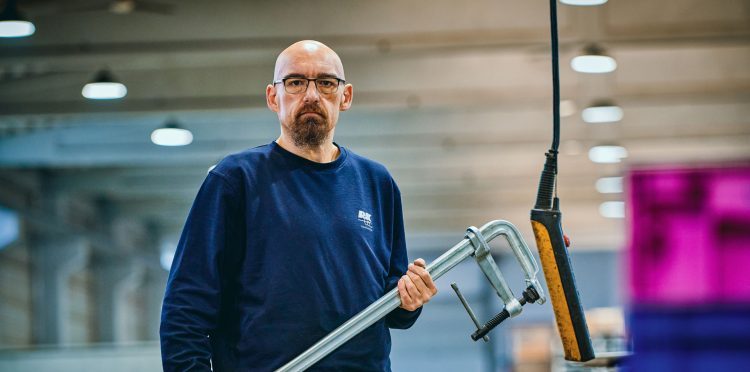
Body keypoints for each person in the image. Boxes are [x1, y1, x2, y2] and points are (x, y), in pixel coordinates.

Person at [160, 40, 437, 371]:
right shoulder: (235, 180)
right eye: (294, 82)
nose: (311, 95)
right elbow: (185, 307)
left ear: (345, 96)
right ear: (272, 96)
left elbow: (394, 310)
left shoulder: (377, 183)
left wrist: (410, 299)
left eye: (325, 82)